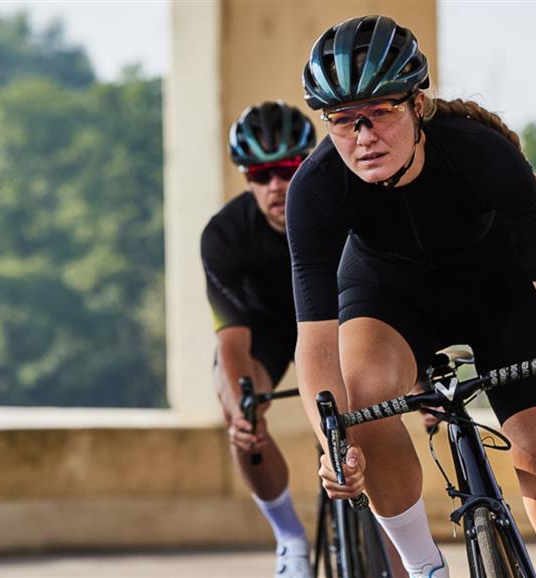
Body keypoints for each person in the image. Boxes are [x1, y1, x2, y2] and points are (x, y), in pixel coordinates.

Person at [286, 15, 536, 578]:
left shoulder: (482, 153)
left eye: (381, 111)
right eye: (342, 119)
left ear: (417, 104)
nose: (363, 136)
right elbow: (316, 345)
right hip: (387, 299)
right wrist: (336, 446)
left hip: (499, 297)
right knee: (360, 404)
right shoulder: (314, 189)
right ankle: (424, 566)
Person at [201, 101, 316, 578]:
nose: (276, 185)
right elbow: (231, 342)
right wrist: (243, 407)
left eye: (287, 169)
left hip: (331, 315)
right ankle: (289, 536)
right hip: (264, 327)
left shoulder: (339, 209)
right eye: (260, 173)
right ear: (246, 177)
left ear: (307, 163)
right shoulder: (224, 234)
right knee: (239, 412)